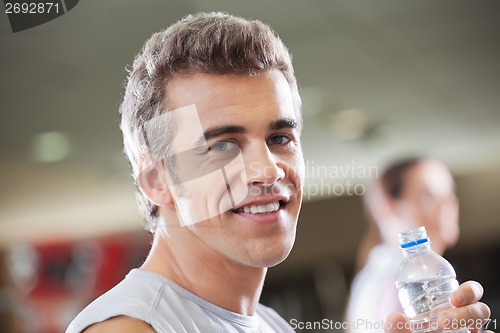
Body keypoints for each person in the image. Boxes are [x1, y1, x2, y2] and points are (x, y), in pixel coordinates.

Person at [66, 13, 492, 333]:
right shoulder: (131, 328)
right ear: (158, 180)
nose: (268, 169)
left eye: (279, 138)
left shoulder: (269, 324)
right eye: (222, 145)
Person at [346, 157, 467, 332]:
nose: (447, 204)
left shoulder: (374, 274)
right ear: (389, 206)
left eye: (449, 192)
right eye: (429, 195)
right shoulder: (408, 280)